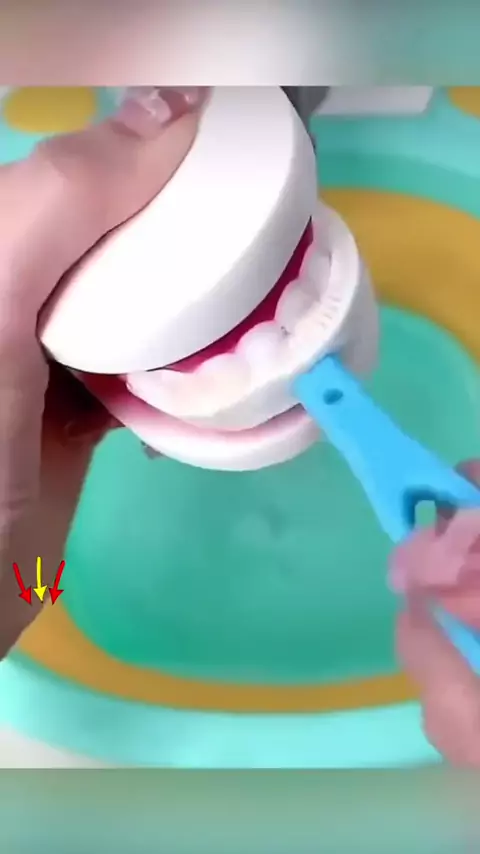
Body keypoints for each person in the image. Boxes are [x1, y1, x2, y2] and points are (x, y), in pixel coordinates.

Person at [1, 85, 479, 765]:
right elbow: (34, 582)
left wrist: (23, 583)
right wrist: (26, 581)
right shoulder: (32, 569)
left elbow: (30, 582)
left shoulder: (28, 564)